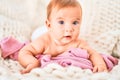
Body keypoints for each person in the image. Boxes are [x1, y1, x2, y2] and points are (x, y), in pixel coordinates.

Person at [18, 0, 108, 74]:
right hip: (39, 32)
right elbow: (24, 52)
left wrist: (100, 64)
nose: (69, 29)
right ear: (49, 25)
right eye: (61, 22)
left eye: (75, 23)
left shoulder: (78, 43)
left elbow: (93, 53)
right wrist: (32, 62)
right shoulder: (43, 41)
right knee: (35, 34)